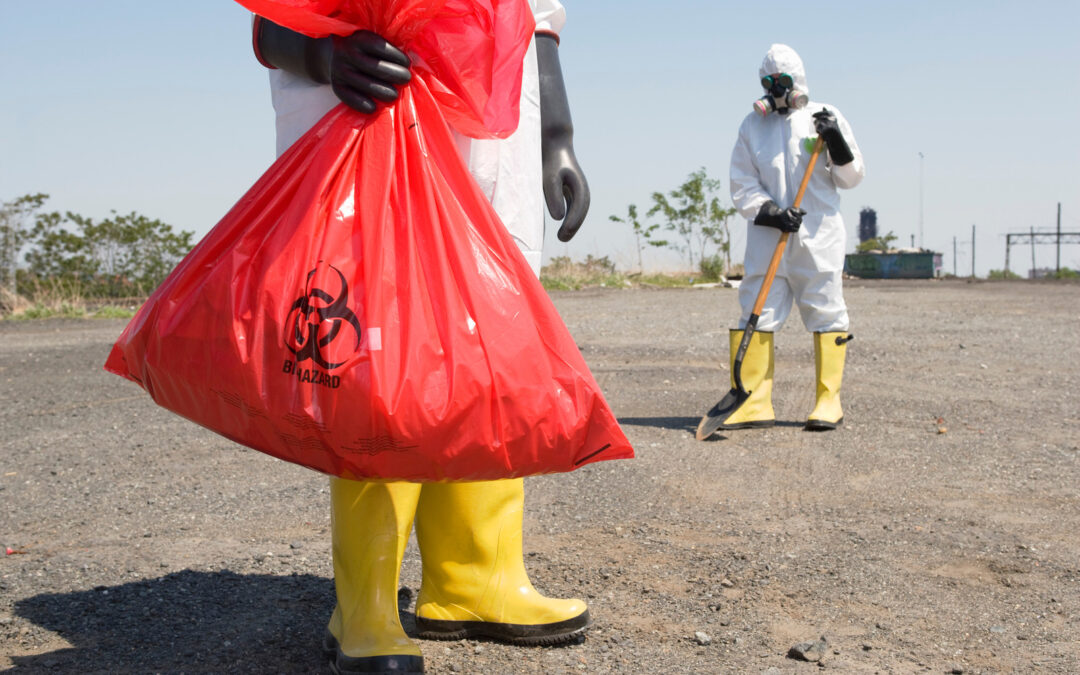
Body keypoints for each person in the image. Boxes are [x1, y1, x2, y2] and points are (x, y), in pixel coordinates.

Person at [251, 3, 591, 673]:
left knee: (486, 352)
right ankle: (365, 602)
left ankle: (475, 576)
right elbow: (272, 22)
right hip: (379, 120)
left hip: (499, 135)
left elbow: (537, 24)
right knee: (383, 359)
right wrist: (324, 58)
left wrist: (557, 135)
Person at [725, 43, 864, 432]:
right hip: (769, 238)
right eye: (768, 83)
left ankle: (828, 401)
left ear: (798, 81)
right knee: (756, 308)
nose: (776, 90)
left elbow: (851, 178)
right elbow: (742, 183)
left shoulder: (825, 117)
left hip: (818, 237)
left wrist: (834, 140)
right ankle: (752, 402)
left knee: (825, 310)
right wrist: (770, 212)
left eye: (782, 82)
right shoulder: (752, 126)